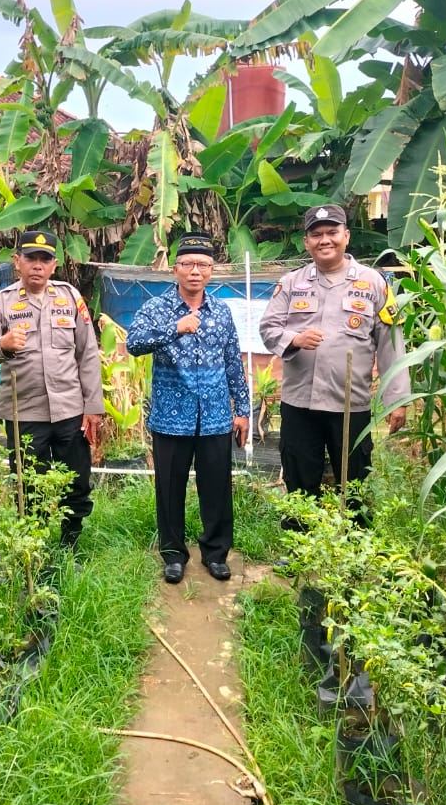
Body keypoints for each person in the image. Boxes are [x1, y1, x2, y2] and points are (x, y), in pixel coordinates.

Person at [259, 205, 408, 526]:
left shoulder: (374, 284)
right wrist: (294, 339)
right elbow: (268, 328)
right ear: (306, 241)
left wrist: (397, 399)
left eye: (332, 233)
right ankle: (299, 549)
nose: (324, 240)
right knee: (300, 481)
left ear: (346, 236)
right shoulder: (291, 283)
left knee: (354, 482)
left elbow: (392, 343)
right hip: (300, 403)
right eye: (316, 234)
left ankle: (355, 552)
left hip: (350, 405)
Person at [127, 234, 250, 585]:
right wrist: (174, 329)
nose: (195, 271)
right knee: (169, 487)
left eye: (203, 265)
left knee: (217, 487)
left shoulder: (222, 311)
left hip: (214, 417)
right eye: (188, 264)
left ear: (212, 271)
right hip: (170, 416)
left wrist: (242, 410)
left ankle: (215, 553)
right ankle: (173, 554)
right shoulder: (156, 309)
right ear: (175, 269)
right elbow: (134, 343)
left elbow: (232, 363)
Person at [0, 230, 104, 548]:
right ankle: (35, 548)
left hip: (70, 409)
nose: (37, 266)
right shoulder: (0, 303)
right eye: (31, 258)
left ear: (54, 264)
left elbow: (88, 353)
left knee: (76, 481)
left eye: (45, 259)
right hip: (24, 412)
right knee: (29, 485)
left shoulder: (70, 297)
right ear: (18, 262)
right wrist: (1, 345)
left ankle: (71, 541)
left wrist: (93, 406)